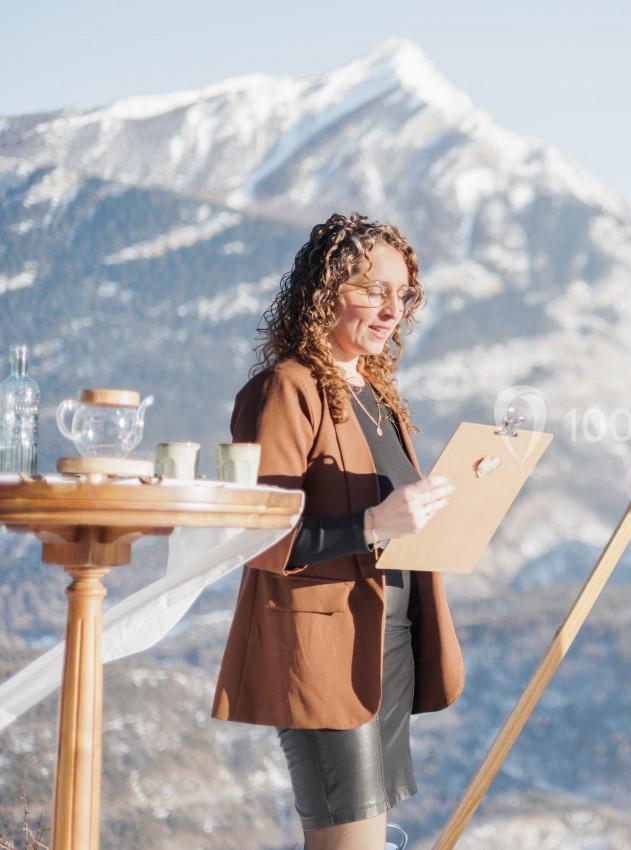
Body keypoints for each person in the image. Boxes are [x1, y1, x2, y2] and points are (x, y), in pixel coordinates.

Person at [211, 213, 464, 850]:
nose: (392, 309)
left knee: (369, 839)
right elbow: (260, 537)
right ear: (325, 290)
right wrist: (377, 522)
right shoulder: (283, 390)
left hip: (390, 646)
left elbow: (392, 522)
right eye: (373, 290)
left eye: (402, 294)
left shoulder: (377, 394)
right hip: (325, 652)